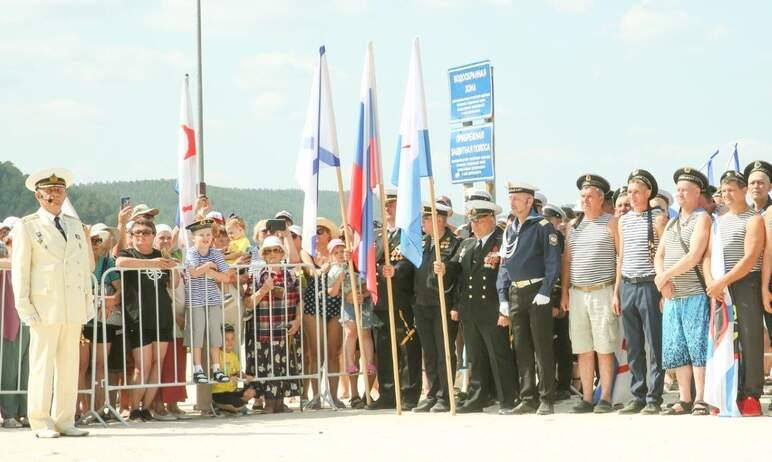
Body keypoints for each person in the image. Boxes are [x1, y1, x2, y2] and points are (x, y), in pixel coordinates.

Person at [10, 168, 92, 438]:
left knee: (68, 366)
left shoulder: (74, 225)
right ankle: (40, 420)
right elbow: (21, 269)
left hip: (71, 305)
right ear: (38, 194)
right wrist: (24, 306)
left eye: (59, 190)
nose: (54, 194)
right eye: (49, 190)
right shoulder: (27, 225)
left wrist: (87, 301)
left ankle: (65, 419)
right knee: (42, 365)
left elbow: (83, 267)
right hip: (44, 305)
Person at [438, 196, 518, 414]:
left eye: (479, 220)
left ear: (492, 219)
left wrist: (507, 308)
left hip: (493, 308)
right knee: (476, 356)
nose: (474, 225)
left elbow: (508, 277)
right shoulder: (467, 244)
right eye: (472, 221)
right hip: (470, 309)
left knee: (498, 354)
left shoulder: (502, 242)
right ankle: (478, 396)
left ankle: (507, 398)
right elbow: (458, 274)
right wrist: (444, 268)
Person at [704, 170, 766, 416]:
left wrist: (723, 282)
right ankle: (724, 392)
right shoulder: (718, 222)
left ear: (743, 191)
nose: (727, 194)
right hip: (720, 287)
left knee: (749, 338)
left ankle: (750, 394)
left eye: (732, 189)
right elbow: (707, 256)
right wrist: (712, 283)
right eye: (723, 190)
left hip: (745, 283)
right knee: (723, 337)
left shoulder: (754, 219)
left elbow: (751, 257)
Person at [497, 182, 561, 415]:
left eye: (517, 198)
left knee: (542, 347)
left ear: (529, 201)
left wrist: (546, 291)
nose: (512, 202)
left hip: (537, 292)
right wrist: (503, 296)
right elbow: (504, 265)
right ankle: (528, 397)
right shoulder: (510, 228)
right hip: (516, 293)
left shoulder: (542, 226)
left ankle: (546, 398)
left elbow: (553, 262)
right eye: (510, 198)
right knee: (521, 347)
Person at [653, 168, 712, 415]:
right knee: (677, 348)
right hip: (672, 296)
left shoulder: (702, 218)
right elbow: (660, 254)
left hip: (695, 292)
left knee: (697, 347)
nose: (680, 193)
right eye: (678, 189)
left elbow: (694, 255)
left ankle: (701, 397)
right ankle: (684, 397)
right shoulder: (672, 222)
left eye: (685, 189)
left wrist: (666, 275)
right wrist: (661, 278)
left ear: (698, 192)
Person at [561, 174, 620, 414]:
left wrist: (617, 292)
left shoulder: (611, 222)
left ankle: (604, 396)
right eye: (582, 196)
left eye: (589, 196)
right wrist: (564, 293)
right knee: (583, 348)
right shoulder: (574, 227)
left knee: (604, 347)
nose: (584, 200)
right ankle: (587, 398)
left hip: (602, 291)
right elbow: (567, 262)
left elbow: (620, 258)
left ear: (600, 198)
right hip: (577, 294)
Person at [115, 219, 178, 422]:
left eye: (146, 232)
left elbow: (174, 284)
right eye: (137, 233)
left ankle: (146, 408)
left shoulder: (161, 255)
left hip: (162, 314)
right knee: (142, 365)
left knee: (157, 364)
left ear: (153, 235)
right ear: (131, 236)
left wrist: (170, 263)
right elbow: (119, 263)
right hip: (138, 316)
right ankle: (134, 408)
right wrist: (150, 263)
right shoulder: (128, 254)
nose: (141, 236)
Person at [616, 169, 668, 415]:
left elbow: (665, 255)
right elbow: (621, 257)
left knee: (654, 344)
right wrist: (617, 292)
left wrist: (664, 289)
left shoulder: (658, 217)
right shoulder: (623, 220)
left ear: (648, 192)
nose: (632, 196)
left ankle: (654, 397)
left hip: (649, 285)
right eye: (629, 192)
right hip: (628, 284)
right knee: (634, 345)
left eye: (637, 192)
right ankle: (638, 394)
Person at [368, 187, 422, 411]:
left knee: (406, 346)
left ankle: (409, 394)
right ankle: (388, 392)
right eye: (386, 204)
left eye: (393, 204)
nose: (389, 208)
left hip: (401, 298)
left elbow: (413, 261)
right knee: (384, 348)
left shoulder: (409, 233)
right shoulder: (379, 235)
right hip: (381, 299)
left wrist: (397, 270)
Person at [242, 236, 302, 413]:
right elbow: (248, 303)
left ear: (282, 252)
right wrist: (264, 290)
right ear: (263, 255)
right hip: (264, 331)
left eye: (276, 250)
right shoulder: (258, 275)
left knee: (283, 365)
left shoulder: (291, 274)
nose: (273, 254)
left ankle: (279, 401)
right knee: (267, 367)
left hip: (286, 330)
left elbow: (299, 300)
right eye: (268, 251)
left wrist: (298, 320)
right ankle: (269, 403)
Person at [411, 201, 461, 414]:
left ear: (440, 220)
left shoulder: (455, 244)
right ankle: (432, 392)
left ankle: (445, 394)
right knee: (429, 352)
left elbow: (460, 274)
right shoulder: (422, 243)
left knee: (444, 351)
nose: (423, 222)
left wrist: (447, 268)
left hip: (443, 304)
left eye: (427, 218)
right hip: (422, 304)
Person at [327, 238, 380, 408]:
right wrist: (340, 282)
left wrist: (362, 294)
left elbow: (368, 283)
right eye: (336, 253)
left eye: (342, 251)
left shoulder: (357, 264)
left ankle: (370, 363)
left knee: (365, 332)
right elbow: (332, 292)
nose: (341, 255)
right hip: (348, 306)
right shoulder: (335, 270)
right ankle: (350, 364)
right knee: (351, 332)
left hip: (363, 304)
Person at [298, 217, 343, 409]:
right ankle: (316, 396)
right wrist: (320, 269)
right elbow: (311, 271)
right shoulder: (307, 252)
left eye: (321, 230)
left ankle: (333, 395)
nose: (317, 234)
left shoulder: (337, 252)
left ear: (328, 234)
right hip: (313, 304)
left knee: (333, 353)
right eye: (314, 230)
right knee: (315, 353)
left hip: (335, 303)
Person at [183, 219, 233, 385]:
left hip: (212, 297)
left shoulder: (216, 254)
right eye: (201, 235)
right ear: (193, 238)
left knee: (214, 333)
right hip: (196, 297)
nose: (205, 238)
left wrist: (209, 269)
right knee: (197, 332)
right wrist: (209, 268)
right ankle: (197, 368)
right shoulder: (191, 253)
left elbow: (226, 277)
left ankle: (216, 368)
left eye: (208, 234)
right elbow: (194, 273)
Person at [543, 204, 572, 401]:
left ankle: (563, 385)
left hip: (558, 300)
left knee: (562, 344)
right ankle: (547, 383)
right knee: (545, 345)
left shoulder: (560, 240)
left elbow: (560, 272)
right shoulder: (541, 238)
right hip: (541, 299)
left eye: (549, 219)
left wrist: (555, 302)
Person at [211, 325, 256, 413]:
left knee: (251, 392)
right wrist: (229, 378)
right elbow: (213, 373)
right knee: (237, 406)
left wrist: (246, 377)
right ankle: (218, 405)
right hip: (219, 392)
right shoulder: (217, 354)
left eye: (232, 339)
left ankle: (235, 406)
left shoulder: (234, 356)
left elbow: (239, 372)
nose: (230, 342)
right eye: (227, 339)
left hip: (232, 391)